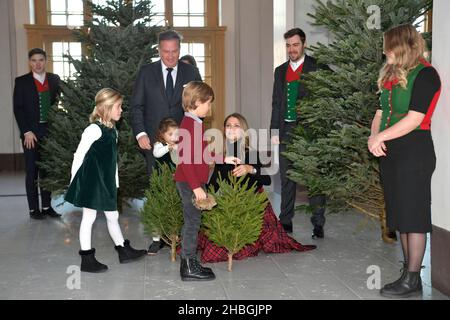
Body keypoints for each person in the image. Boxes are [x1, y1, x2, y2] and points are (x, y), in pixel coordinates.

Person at [368, 24, 441, 298]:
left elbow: (415, 118)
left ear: (401, 46)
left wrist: (380, 137)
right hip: (391, 149)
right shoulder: (391, 74)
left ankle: (413, 277)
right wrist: (374, 138)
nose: (385, 51)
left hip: (414, 150)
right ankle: (408, 274)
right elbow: (379, 111)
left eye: (388, 45)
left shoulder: (426, 75)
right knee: (399, 212)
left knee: (414, 214)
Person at [198, 113, 316, 263]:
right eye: (228, 126)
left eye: (236, 126)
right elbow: (213, 185)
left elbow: (266, 179)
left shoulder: (251, 153)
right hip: (228, 204)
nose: (231, 129)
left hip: (250, 205)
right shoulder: (222, 156)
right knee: (213, 248)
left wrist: (250, 169)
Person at [65, 88, 147, 273]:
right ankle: (86, 258)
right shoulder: (93, 129)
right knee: (89, 217)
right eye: (118, 107)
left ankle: (123, 250)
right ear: (107, 108)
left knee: (113, 215)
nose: (121, 110)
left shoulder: (113, 130)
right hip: (92, 181)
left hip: (106, 181)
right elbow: (79, 155)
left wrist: (115, 182)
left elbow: (112, 162)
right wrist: (74, 182)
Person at [174, 81, 239, 281]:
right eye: (208, 103)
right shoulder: (189, 125)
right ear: (197, 102)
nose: (210, 107)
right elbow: (185, 160)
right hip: (189, 183)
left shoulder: (194, 123)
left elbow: (202, 153)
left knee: (193, 221)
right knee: (193, 222)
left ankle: (189, 262)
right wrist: (196, 188)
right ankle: (189, 266)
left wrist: (223, 159)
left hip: (192, 182)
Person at [270, 28, 326, 238]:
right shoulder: (280, 70)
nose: (291, 49)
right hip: (286, 130)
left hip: (310, 132)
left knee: (314, 179)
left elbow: (326, 100)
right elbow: (276, 102)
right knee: (287, 178)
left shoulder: (317, 68)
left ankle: (318, 223)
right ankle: (285, 221)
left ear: (304, 44)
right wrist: (274, 129)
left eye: (295, 45)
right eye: (288, 45)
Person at [131, 30, 202, 176]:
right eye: (166, 51)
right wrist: (140, 134)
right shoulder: (146, 72)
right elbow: (136, 106)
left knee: (185, 188)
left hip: (184, 141)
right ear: (159, 50)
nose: (170, 56)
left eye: (174, 51)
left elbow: (200, 106)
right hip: (153, 142)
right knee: (157, 187)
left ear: (180, 49)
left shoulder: (192, 72)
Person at [13, 48, 62, 220]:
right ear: (29, 62)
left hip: (49, 132)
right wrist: (26, 131)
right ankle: (34, 209)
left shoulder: (54, 80)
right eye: (34, 60)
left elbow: (57, 105)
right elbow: (18, 109)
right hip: (30, 134)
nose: (38, 64)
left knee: (47, 171)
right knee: (32, 171)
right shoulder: (21, 82)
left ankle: (47, 206)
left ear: (46, 60)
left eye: (41, 60)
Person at [147, 117, 179, 255]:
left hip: (174, 183)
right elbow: (157, 153)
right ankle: (156, 240)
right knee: (157, 210)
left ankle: (173, 236)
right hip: (160, 183)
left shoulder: (178, 146)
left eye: (176, 134)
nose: (174, 137)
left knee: (173, 208)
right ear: (162, 135)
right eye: (170, 134)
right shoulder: (159, 145)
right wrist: (169, 147)